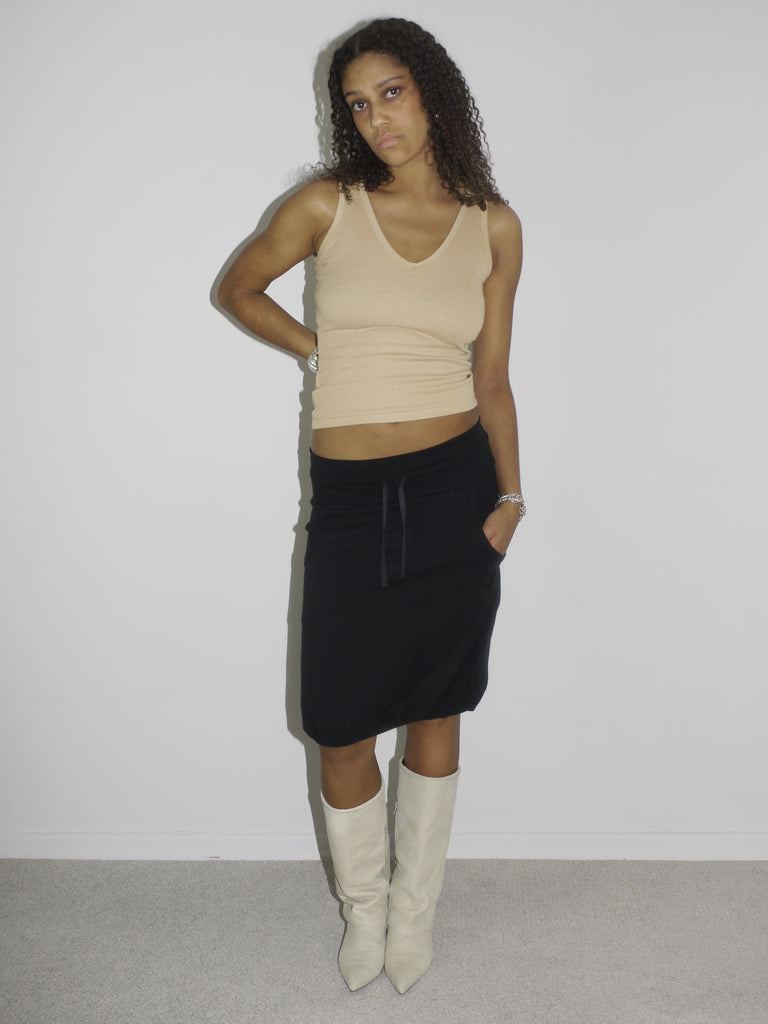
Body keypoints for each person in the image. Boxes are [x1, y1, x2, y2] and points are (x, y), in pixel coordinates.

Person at [216, 17, 524, 994]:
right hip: (349, 498)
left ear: (433, 92)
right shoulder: (324, 203)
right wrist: (321, 352)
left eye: (391, 91)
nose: (375, 116)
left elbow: (494, 377)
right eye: (357, 102)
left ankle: (413, 916)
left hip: (456, 485)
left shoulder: (495, 223)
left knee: (437, 706)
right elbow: (239, 287)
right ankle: (364, 911)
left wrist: (511, 494)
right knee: (340, 721)